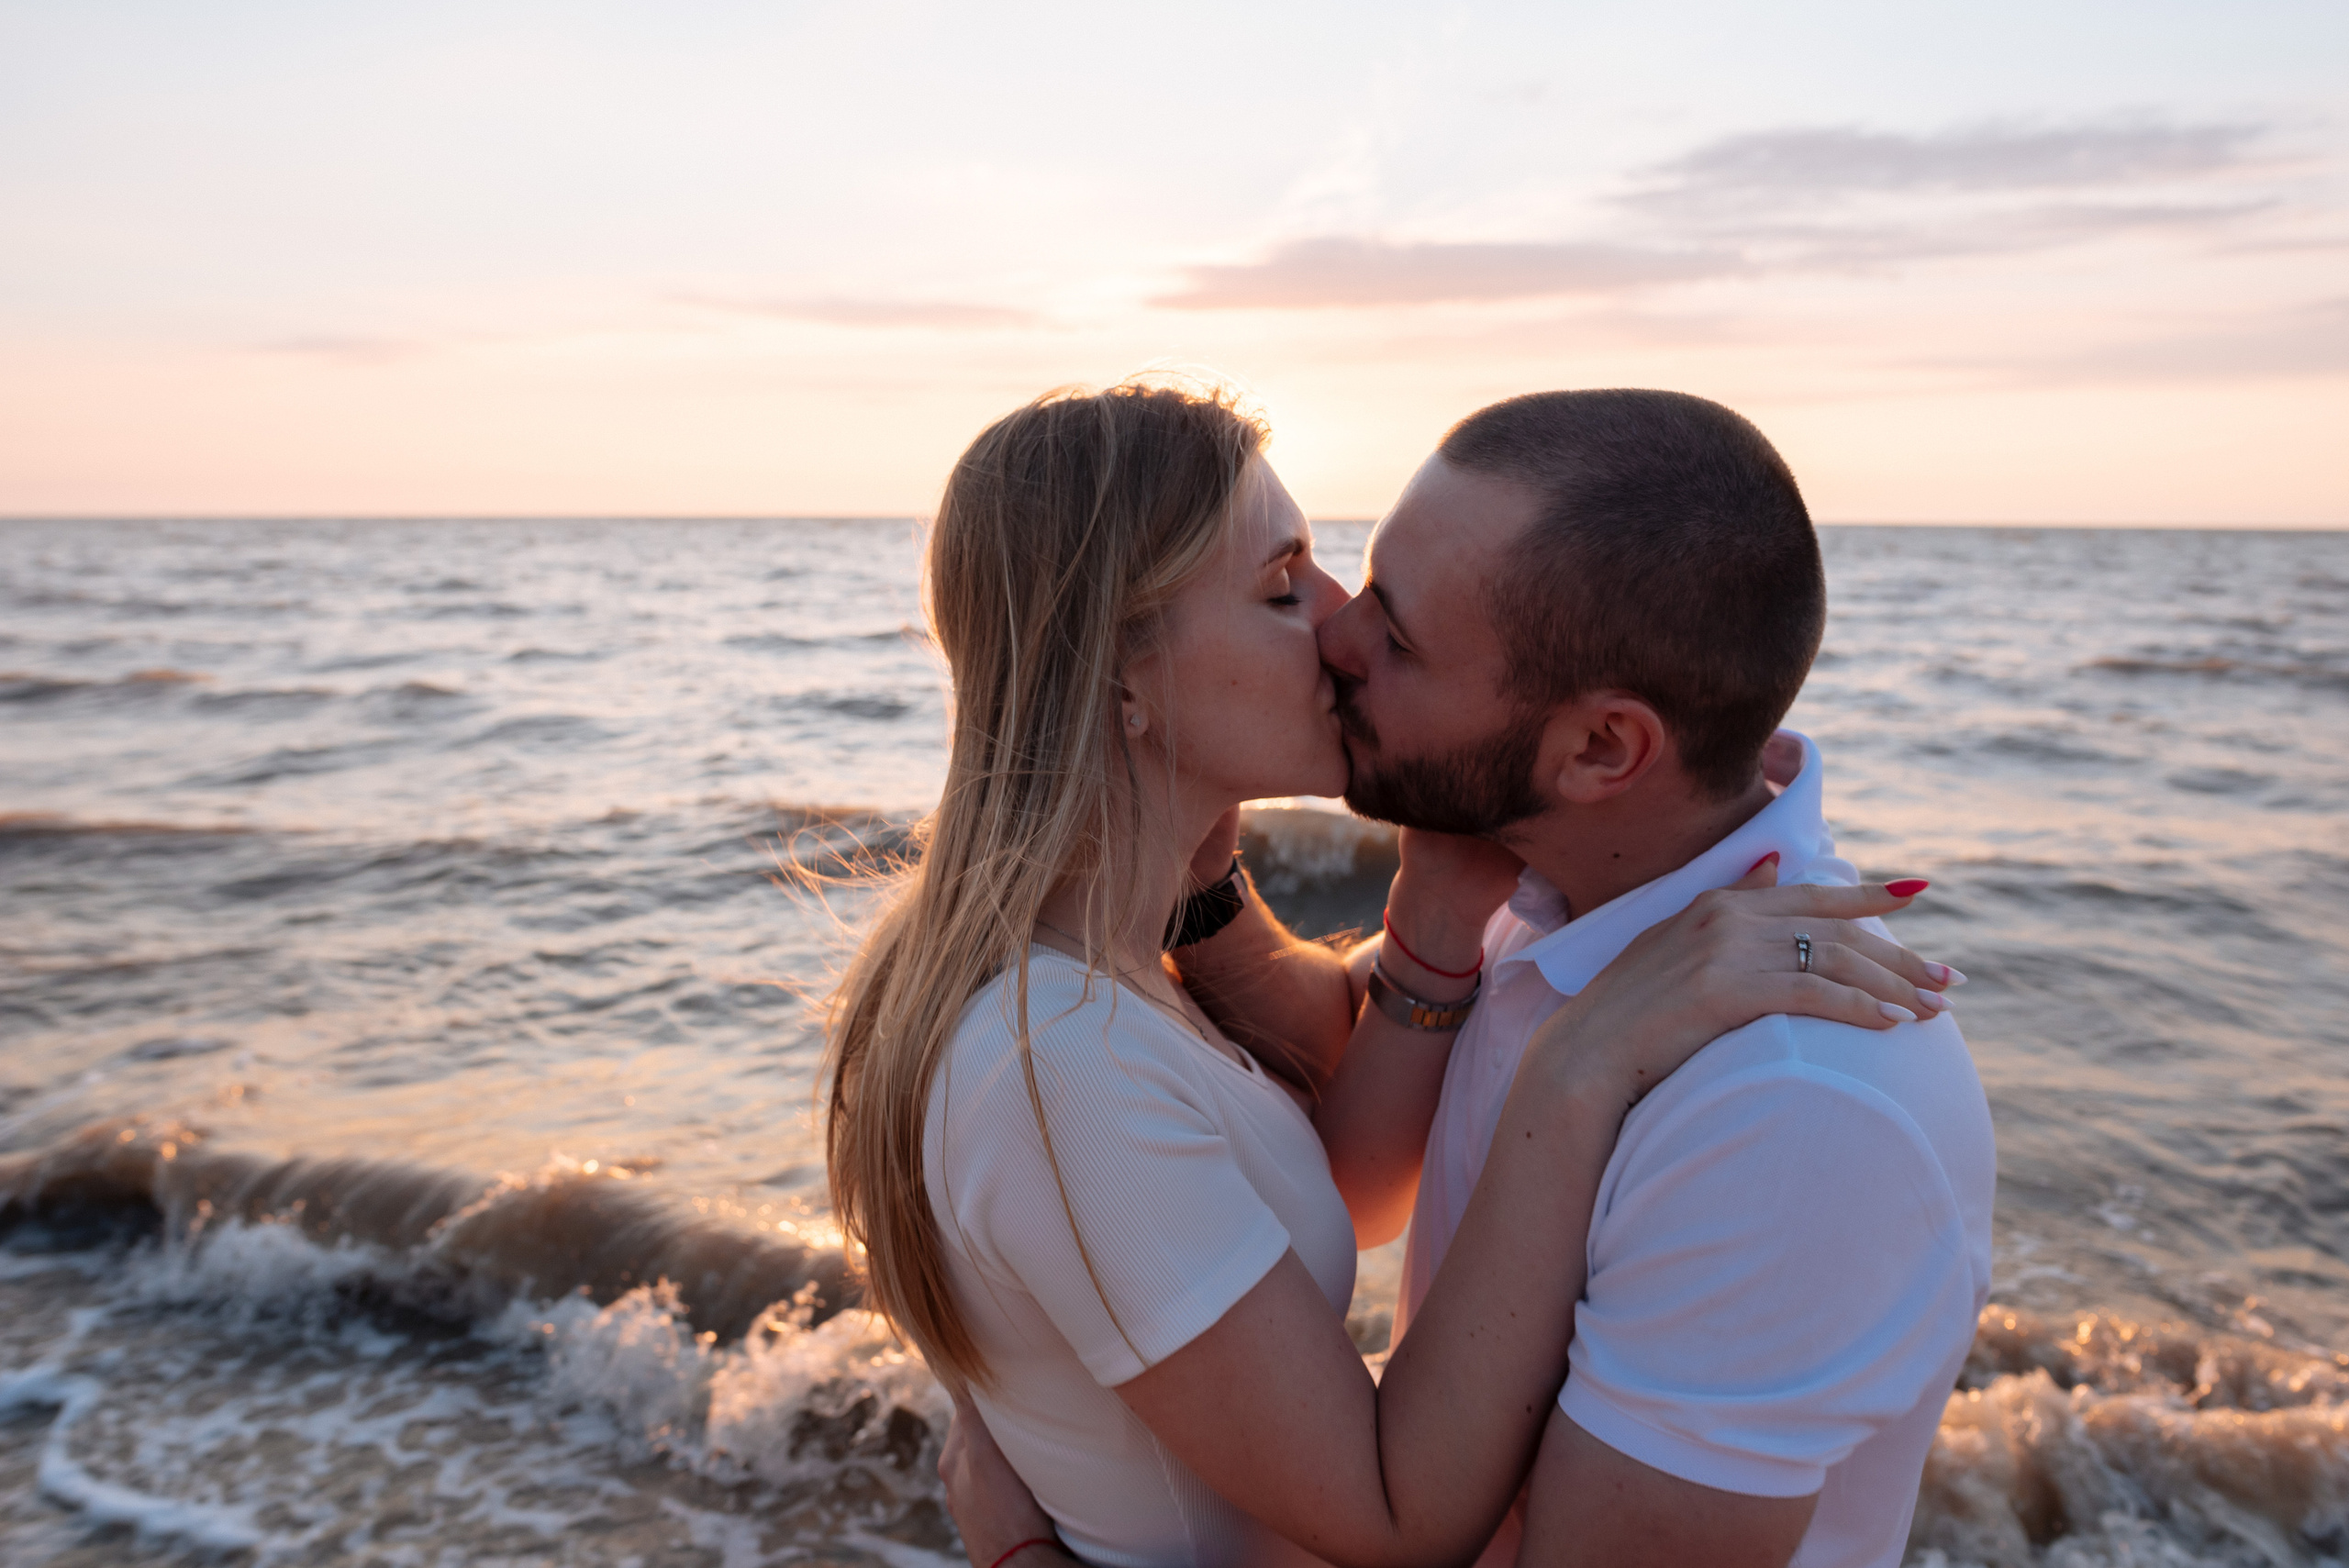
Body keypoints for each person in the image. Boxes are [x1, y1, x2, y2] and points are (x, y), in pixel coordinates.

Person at [825, 380, 1960, 1568]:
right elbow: (1390, 1514)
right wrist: (1583, 1061)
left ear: (1600, 751)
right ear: (1122, 676)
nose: (1340, 628)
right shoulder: (1060, 1054)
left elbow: (1316, 1181)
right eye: (1283, 586)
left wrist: (1420, 922)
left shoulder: (1754, 1065)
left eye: (1376, 610)